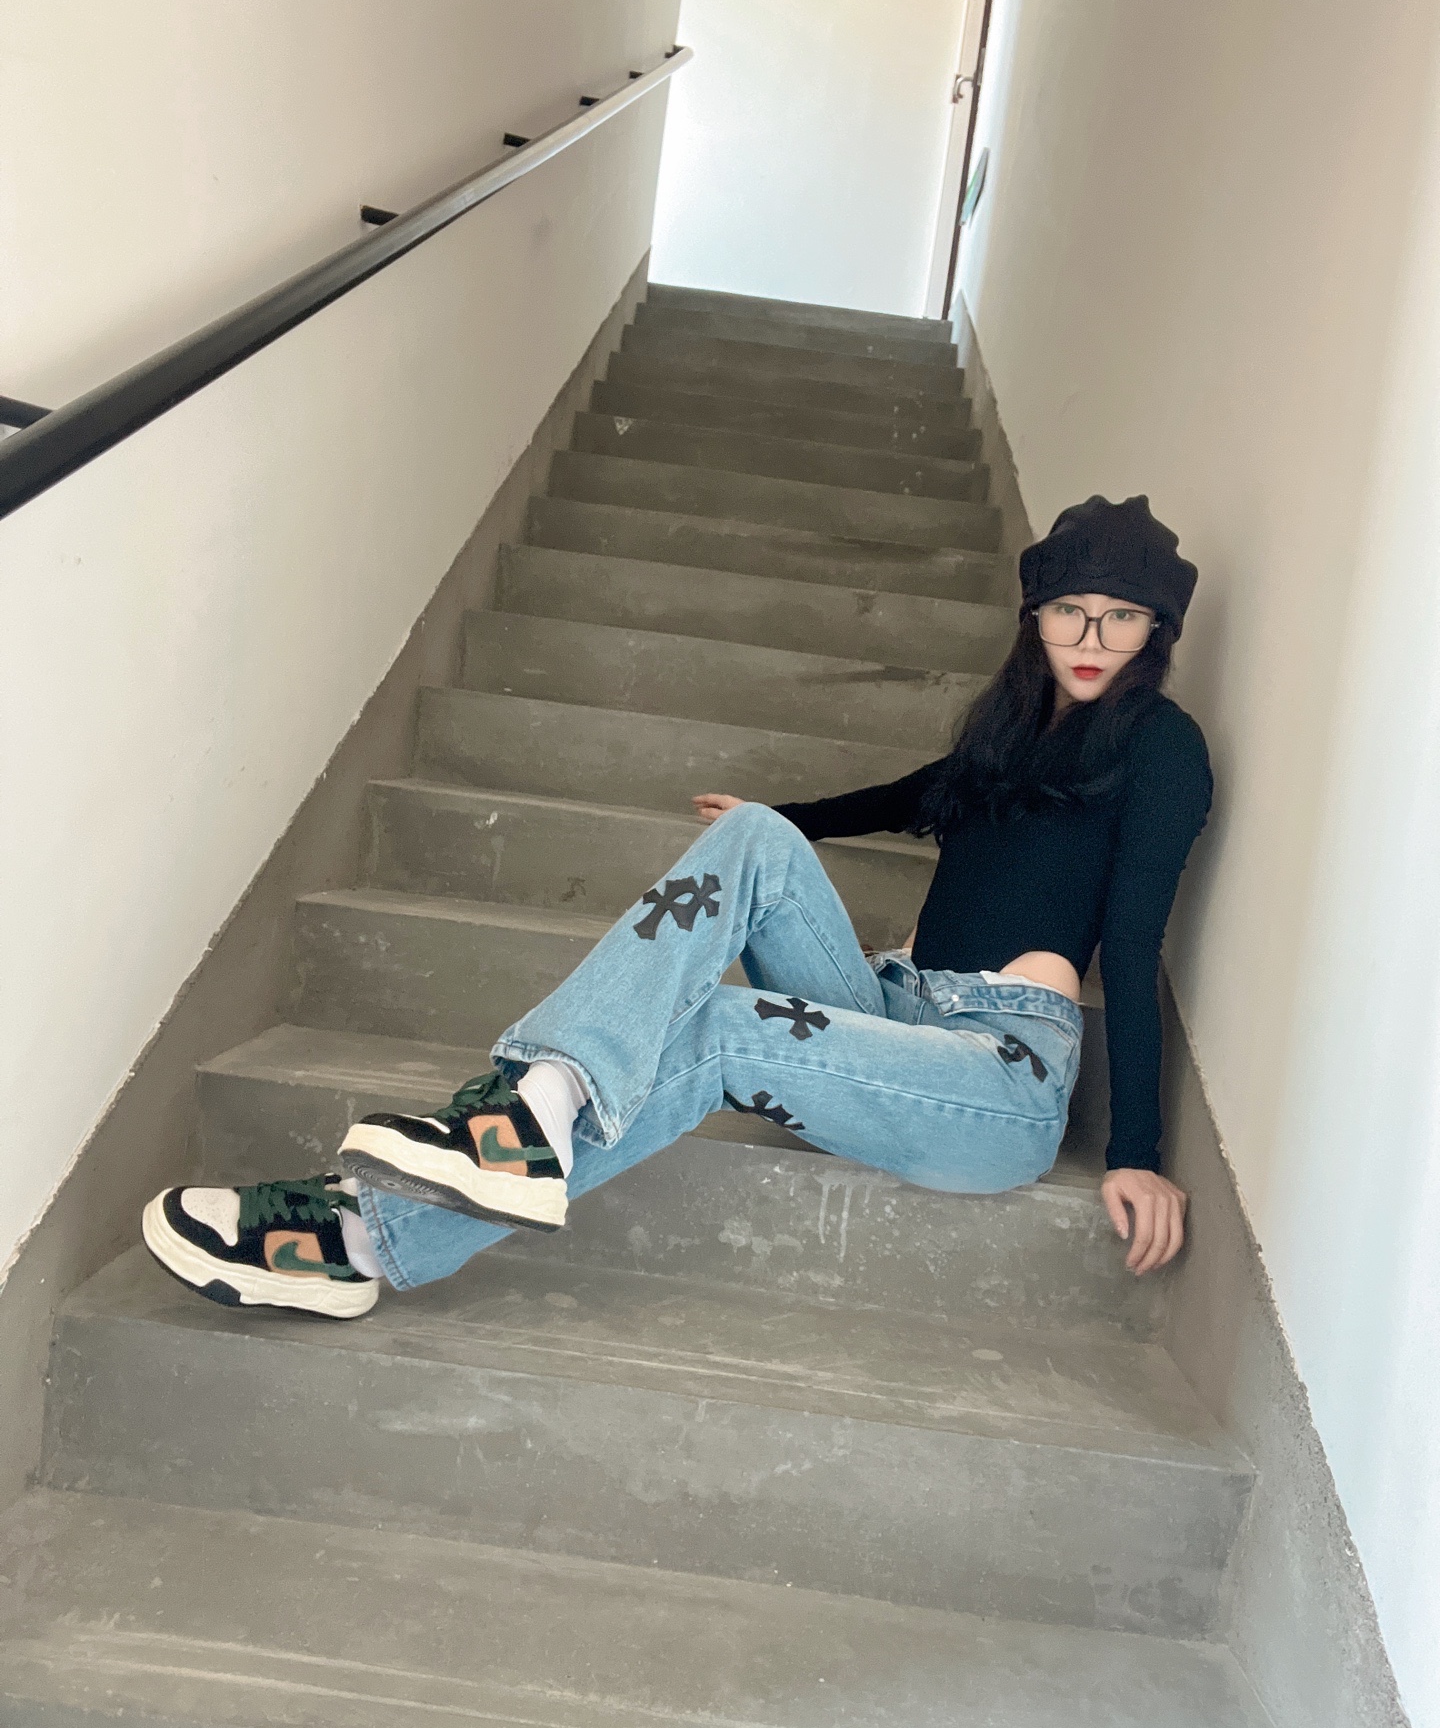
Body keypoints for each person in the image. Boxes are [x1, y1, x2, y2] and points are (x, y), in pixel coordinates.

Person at [142, 494, 1212, 1320]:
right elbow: (907, 798)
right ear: (1035, 618)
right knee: (756, 838)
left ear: (1156, 630)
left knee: (717, 1029)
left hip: (997, 1077)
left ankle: (367, 1239)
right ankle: (538, 1105)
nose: (1093, 636)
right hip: (892, 1011)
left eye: (1123, 616)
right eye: (1070, 610)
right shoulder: (1011, 733)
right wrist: (775, 820)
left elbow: (1133, 944)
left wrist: (1139, 1153)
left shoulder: (1163, 748)